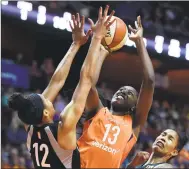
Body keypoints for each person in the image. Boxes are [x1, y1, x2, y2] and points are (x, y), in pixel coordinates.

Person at [8, 6, 115, 168]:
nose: (49, 97)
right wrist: (96, 39)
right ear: (45, 112)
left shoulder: (31, 127)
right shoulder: (62, 129)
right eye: (46, 99)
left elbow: (56, 82)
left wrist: (76, 44)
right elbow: (85, 81)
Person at [77, 16, 155, 168]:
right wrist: (102, 51)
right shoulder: (97, 111)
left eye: (129, 94)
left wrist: (139, 42)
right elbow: (88, 83)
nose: (123, 92)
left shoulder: (134, 123)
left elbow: (149, 82)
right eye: (121, 90)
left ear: (134, 107)